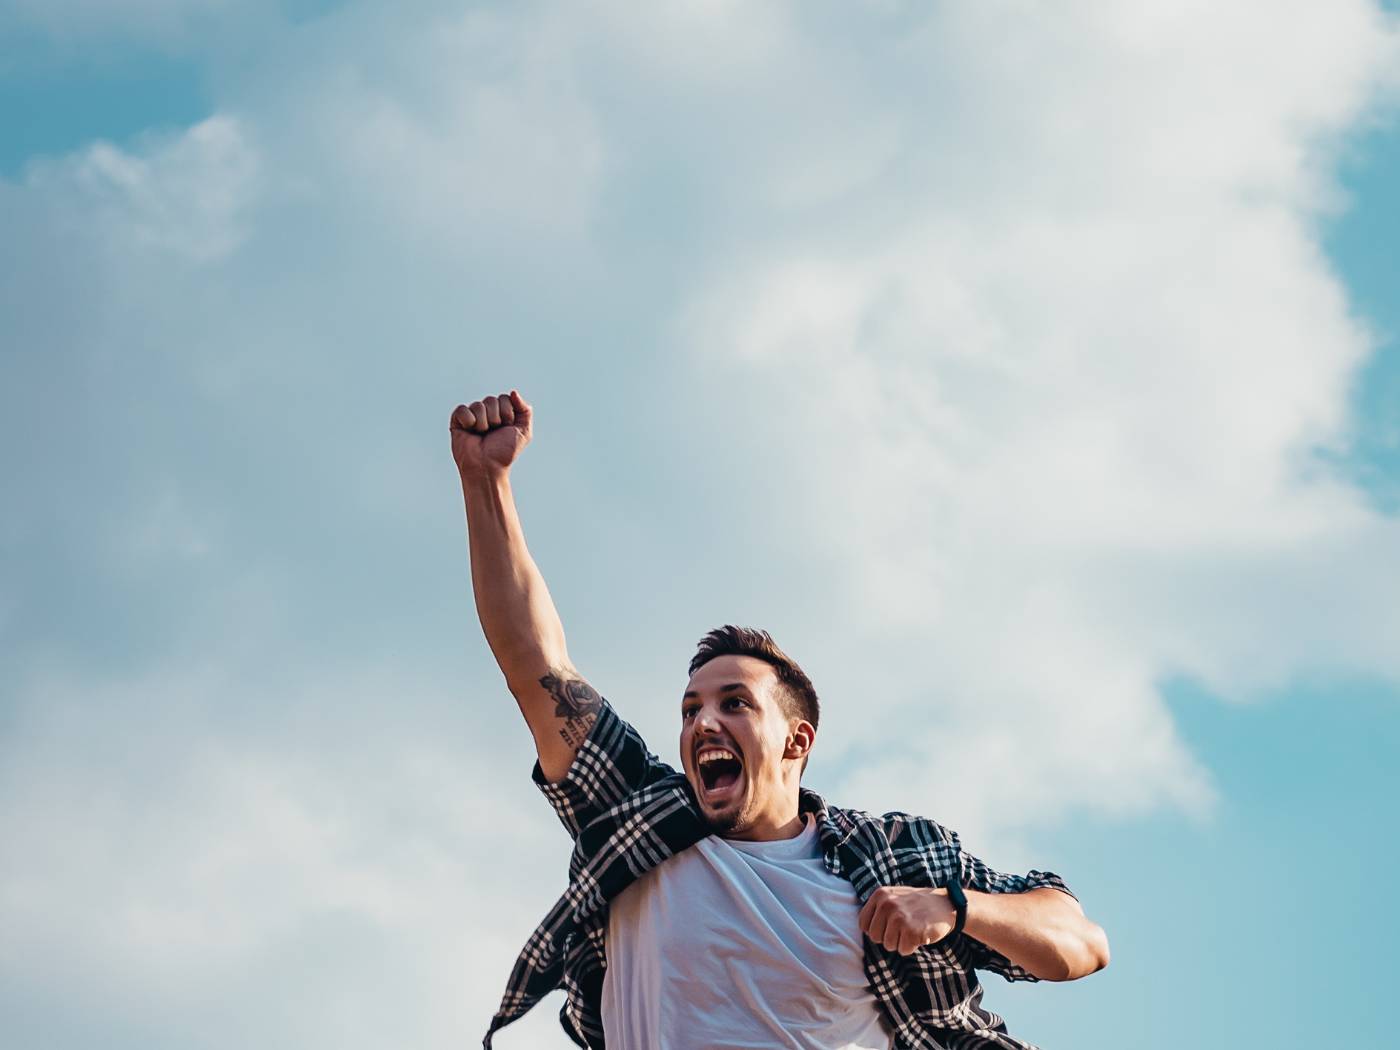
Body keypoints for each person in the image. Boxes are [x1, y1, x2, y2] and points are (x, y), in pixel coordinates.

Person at [452, 390, 1110, 1050]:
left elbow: (1079, 941)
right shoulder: (636, 814)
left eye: (734, 703)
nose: (704, 722)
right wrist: (487, 482)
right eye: (690, 709)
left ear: (797, 740)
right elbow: (535, 663)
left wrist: (954, 907)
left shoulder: (889, 860)